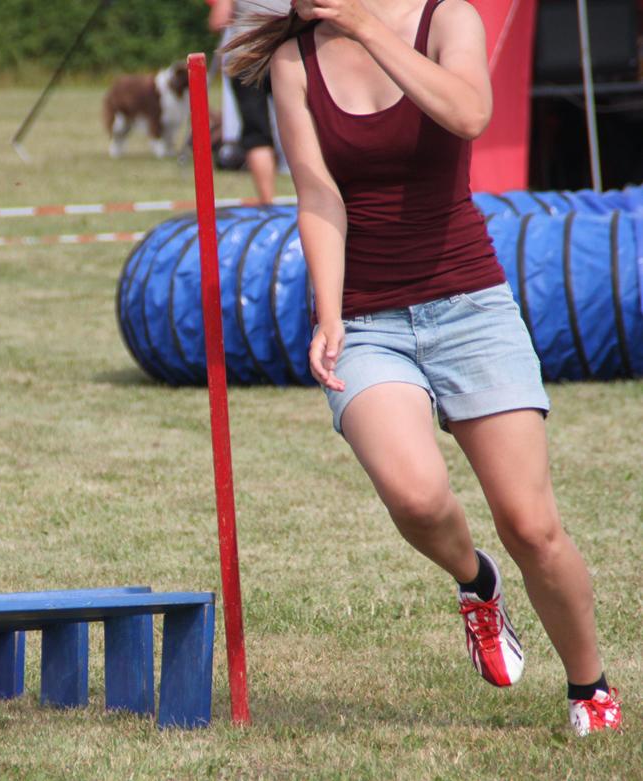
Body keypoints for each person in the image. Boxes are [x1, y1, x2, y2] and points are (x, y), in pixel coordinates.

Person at [224, 0, 621, 736]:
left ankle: (588, 685)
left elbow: (469, 113)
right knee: (414, 496)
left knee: (532, 526)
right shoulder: (293, 60)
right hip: (370, 322)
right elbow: (317, 194)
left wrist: (371, 29)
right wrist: (331, 312)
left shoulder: (448, 19)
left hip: (471, 306)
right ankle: (477, 582)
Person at [208, 0, 280, 204]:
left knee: (256, 133)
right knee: (303, 128)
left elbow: (218, 21)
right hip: (288, 53)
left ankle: (268, 202)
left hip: (246, 56)